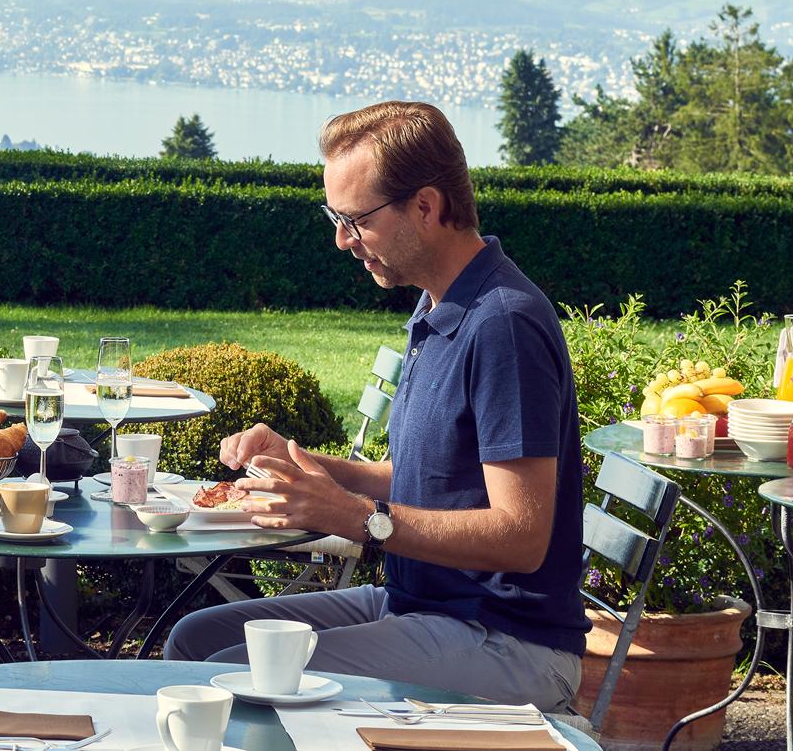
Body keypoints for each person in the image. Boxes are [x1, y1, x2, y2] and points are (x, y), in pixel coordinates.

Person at [165, 101, 586, 712]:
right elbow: (431, 482)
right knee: (197, 637)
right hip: (420, 604)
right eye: (333, 217)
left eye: (356, 219)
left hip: (507, 642)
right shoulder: (439, 306)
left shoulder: (501, 324)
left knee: (238, 682)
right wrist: (305, 463)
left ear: (426, 206)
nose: (342, 240)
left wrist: (361, 519)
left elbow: (521, 537)